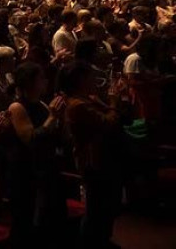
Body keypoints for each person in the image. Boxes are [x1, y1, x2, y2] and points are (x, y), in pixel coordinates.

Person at [60, 63, 125, 249]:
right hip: (92, 160)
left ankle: (102, 238)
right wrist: (113, 102)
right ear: (80, 80)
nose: (94, 80)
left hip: (102, 156)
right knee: (97, 206)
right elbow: (108, 122)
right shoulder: (77, 105)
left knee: (106, 203)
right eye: (89, 76)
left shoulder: (87, 99)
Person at [7, 62, 67, 247]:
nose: (45, 81)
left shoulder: (40, 104)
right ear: (30, 83)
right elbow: (31, 139)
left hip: (45, 168)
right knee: (28, 221)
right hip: (27, 172)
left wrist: (61, 118)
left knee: (49, 219)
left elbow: (57, 137)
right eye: (41, 78)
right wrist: (52, 117)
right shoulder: (17, 107)